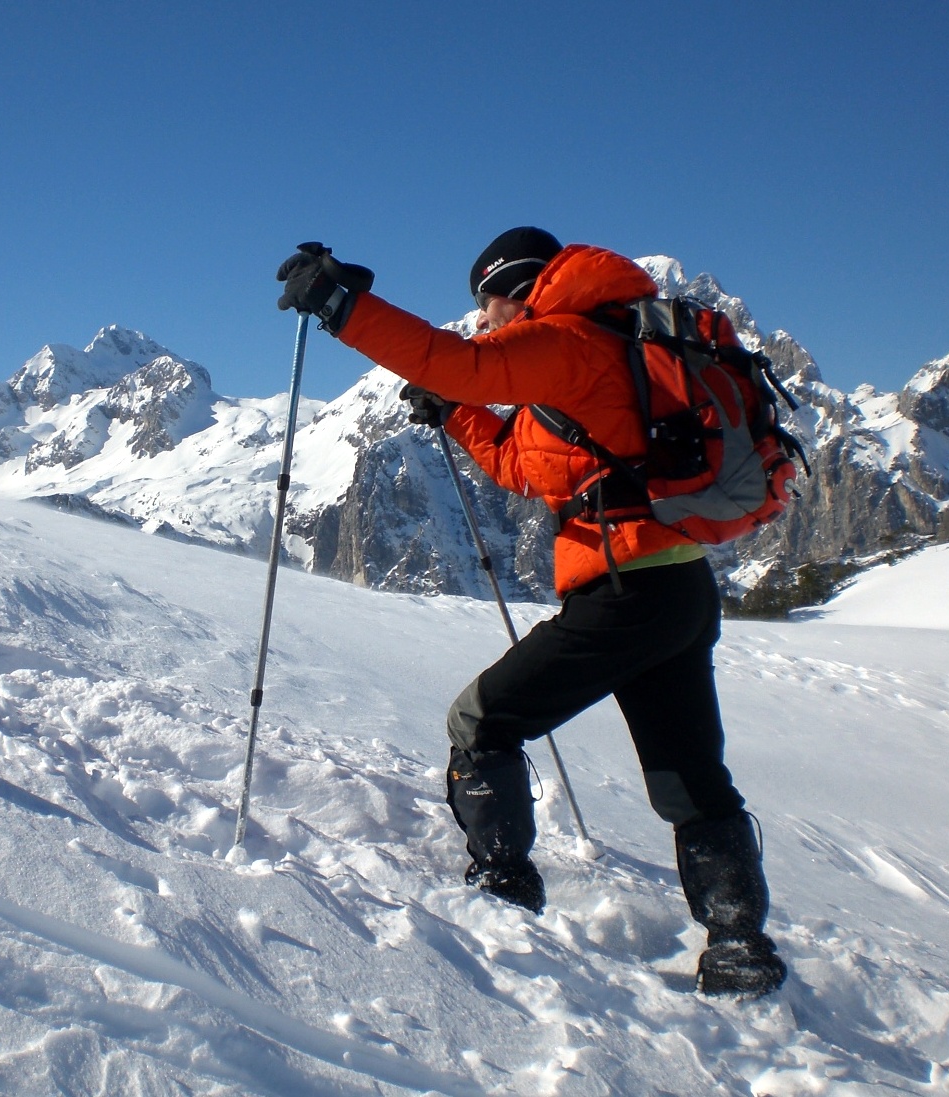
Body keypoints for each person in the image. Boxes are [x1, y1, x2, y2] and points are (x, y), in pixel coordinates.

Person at [275, 229, 788, 996]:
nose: (482, 320)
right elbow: (526, 463)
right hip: (678, 590)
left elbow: (462, 366)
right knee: (690, 778)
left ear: (519, 288)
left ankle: (503, 889)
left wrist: (345, 307)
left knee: (481, 721)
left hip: (623, 595)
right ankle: (740, 947)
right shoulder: (609, 345)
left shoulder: (569, 337)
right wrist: (455, 415)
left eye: (487, 303)